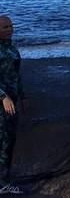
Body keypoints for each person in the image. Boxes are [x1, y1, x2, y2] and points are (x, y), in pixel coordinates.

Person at [0, 15, 24, 194]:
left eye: (10, 26)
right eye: (4, 27)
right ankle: (2, 184)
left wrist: (22, 96)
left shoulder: (12, 47)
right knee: (3, 141)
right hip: (2, 102)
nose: (9, 29)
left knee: (11, 139)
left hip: (13, 100)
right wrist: (3, 97)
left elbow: (17, 74)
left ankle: (5, 178)